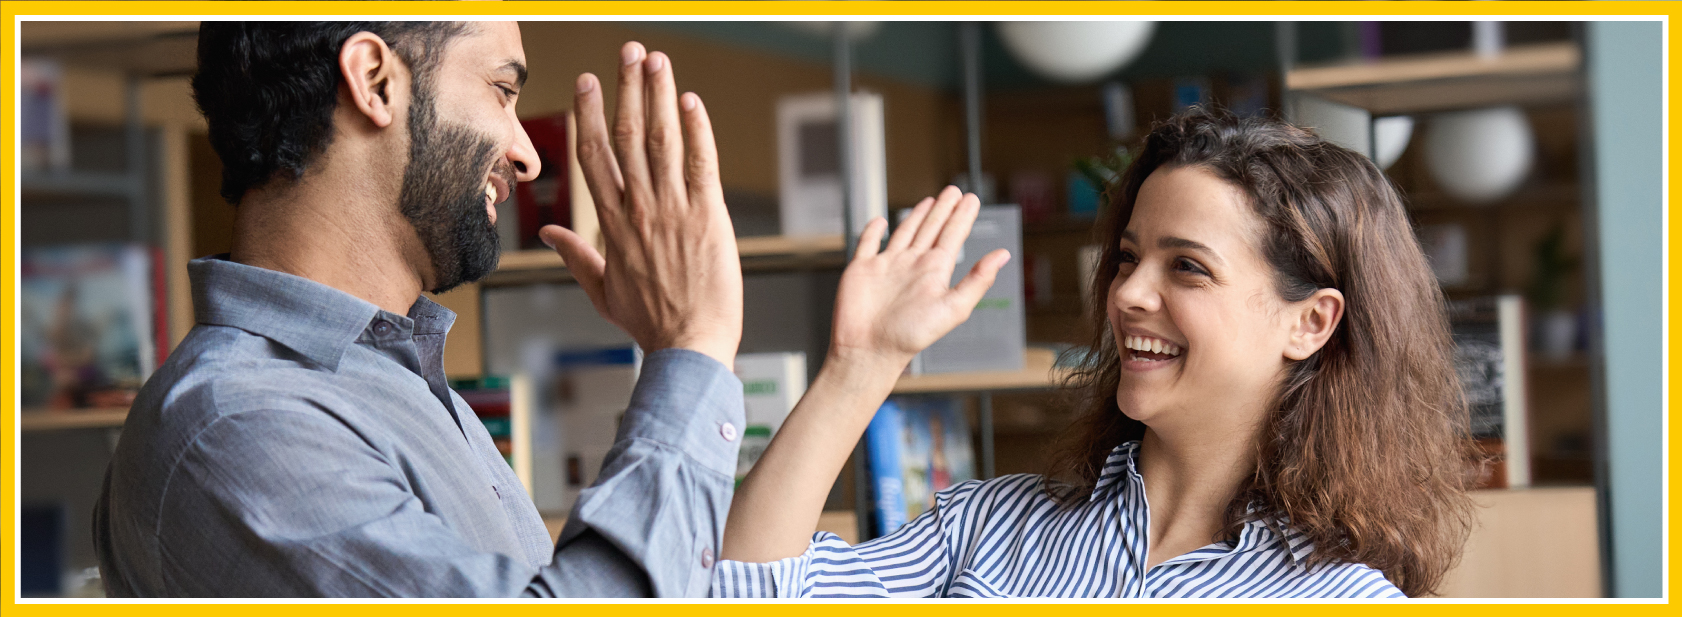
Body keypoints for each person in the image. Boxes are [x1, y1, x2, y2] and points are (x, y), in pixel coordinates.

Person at [712, 109, 1483, 598]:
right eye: (1126, 256)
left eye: (1186, 266)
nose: (1127, 293)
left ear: (1310, 322)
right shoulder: (988, 526)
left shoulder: (1338, 598)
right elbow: (746, 588)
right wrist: (859, 366)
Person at [94, 22, 747, 597]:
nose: (526, 153)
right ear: (376, 82)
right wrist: (691, 349)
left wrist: (848, 370)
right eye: (502, 89)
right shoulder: (241, 423)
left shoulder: (395, 379)